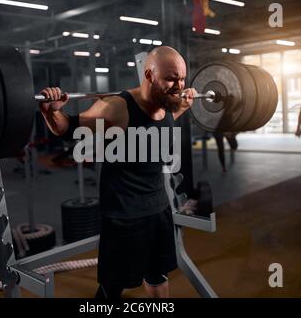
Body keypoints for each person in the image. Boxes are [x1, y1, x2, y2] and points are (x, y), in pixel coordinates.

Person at [38, 46, 197, 298]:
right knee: (112, 289)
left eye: (181, 78)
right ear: (149, 75)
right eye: (171, 78)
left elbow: (167, 119)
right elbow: (67, 128)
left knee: (157, 276)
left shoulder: (168, 102)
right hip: (125, 216)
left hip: (158, 210)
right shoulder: (116, 108)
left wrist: (184, 103)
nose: (178, 85)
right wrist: (52, 111)